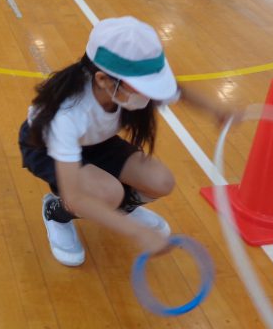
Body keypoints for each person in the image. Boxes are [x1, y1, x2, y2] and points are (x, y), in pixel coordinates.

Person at [18, 16, 237, 266]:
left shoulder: (125, 90)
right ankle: (56, 213)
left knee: (161, 181)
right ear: (102, 80)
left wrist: (216, 109)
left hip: (96, 142)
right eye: (141, 86)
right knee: (107, 193)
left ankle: (119, 212)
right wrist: (137, 232)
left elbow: (177, 90)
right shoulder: (68, 115)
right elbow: (76, 196)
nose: (149, 94)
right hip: (46, 148)